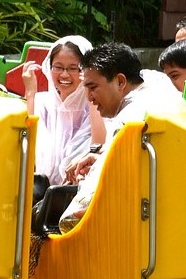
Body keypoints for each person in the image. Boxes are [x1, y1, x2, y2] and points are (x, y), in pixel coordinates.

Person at [58, 42, 171, 233]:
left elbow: (80, 211)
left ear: (120, 81)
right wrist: (102, 159)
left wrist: (69, 219)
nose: (89, 98)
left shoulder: (130, 117)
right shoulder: (163, 95)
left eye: (92, 87)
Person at [21, 35, 105, 189]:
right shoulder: (41, 103)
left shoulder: (96, 106)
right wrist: (30, 94)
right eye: (58, 67)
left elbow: (99, 143)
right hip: (39, 191)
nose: (65, 75)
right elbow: (25, 141)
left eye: (73, 68)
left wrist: (91, 88)